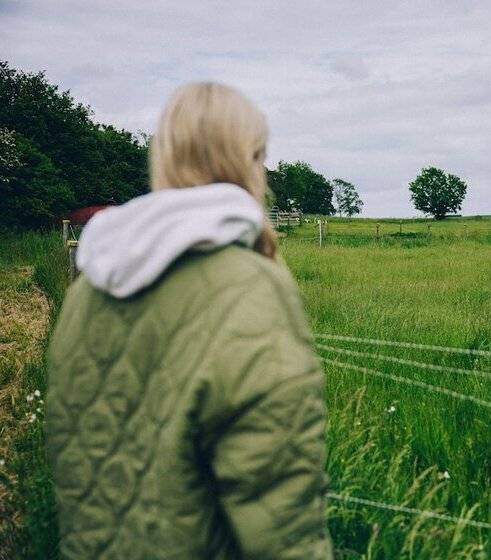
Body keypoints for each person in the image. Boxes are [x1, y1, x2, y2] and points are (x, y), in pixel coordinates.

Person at [46, 82, 333, 559]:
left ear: (164, 159)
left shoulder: (91, 285)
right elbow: (279, 498)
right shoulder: (251, 284)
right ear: (250, 160)